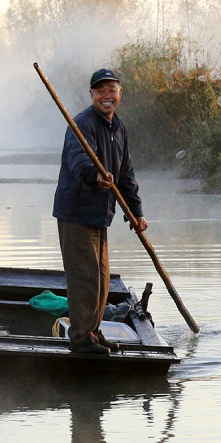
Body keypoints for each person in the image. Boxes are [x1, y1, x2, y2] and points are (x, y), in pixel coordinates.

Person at [52, 68, 147, 355]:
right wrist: (95, 175)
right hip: (76, 212)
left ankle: (93, 332)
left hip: (100, 215)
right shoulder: (81, 124)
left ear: (120, 93)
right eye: (101, 90)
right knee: (85, 278)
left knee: (102, 280)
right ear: (92, 94)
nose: (107, 95)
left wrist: (136, 212)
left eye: (112, 90)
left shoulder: (118, 127)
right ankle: (81, 338)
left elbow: (126, 174)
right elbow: (78, 160)